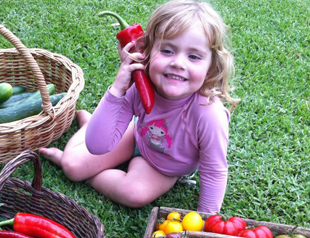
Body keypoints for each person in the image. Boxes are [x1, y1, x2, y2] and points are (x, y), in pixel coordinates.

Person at [39, 0, 239, 213]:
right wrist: (117, 90)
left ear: (211, 67)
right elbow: (98, 145)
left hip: (164, 167)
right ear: (148, 51)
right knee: (72, 167)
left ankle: (90, 136)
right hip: (135, 135)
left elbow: (214, 171)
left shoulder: (208, 113)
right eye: (168, 50)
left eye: (193, 56)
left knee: (133, 193)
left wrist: (206, 220)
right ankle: (91, 128)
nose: (179, 63)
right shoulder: (139, 89)